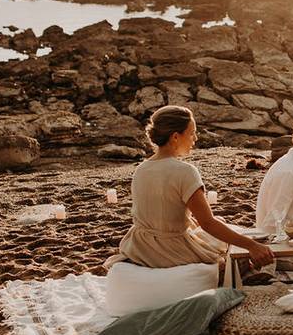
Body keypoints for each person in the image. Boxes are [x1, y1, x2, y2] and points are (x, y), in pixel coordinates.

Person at [106, 105, 274, 271]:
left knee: (219, 226)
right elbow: (208, 223)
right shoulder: (185, 172)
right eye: (192, 133)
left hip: (140, 247)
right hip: (169, 249)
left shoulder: (141, 169)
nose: (195, 139)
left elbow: (161, 212)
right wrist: (252, 246)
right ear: (175, 137)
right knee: (227, 251)